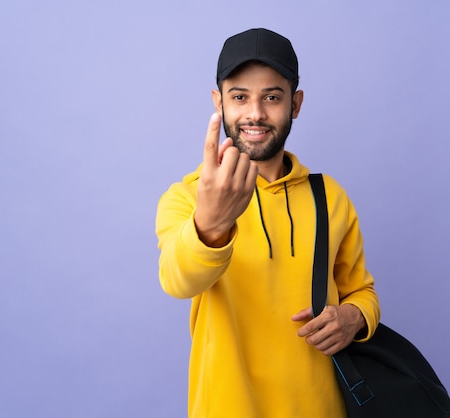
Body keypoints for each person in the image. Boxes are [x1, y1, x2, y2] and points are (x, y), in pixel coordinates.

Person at [155, 28, 380, 418]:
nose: (255, 113)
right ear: (218, 102)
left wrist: (353, 317)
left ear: (295, 104)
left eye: (271, 97)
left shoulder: (330, 197)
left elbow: (362, 292)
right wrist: (211, 225)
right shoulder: (188, 196)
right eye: (239, 97)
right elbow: (177, 280)